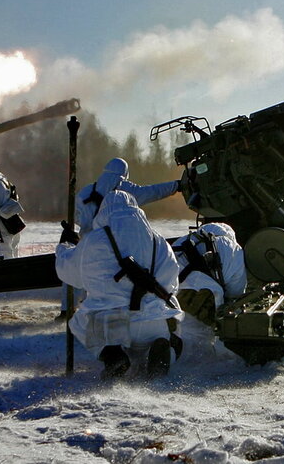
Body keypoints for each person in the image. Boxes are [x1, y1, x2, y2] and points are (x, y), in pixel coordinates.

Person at [56, 190, 183, 379]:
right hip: (154, 323)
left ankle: (112, 355)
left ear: (103, 212)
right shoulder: (159, 241)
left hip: (111, 324)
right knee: (167, 320)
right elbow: (172, 284)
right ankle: (166, 353)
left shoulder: (93, 240)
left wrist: (65, 246)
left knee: (79, 322)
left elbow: (69, 273)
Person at [172, 222, 248, 357]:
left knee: (182, 334)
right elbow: (235, 294)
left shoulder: (182, 241)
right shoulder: (234, 250)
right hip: (209, 298)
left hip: (177, 296)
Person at [74, 158, 180, 233]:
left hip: (86, 244)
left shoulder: (86, 191)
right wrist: (176, 185)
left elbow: (75, 216)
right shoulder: (124, 189)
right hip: (113, 246)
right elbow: (152, 192)